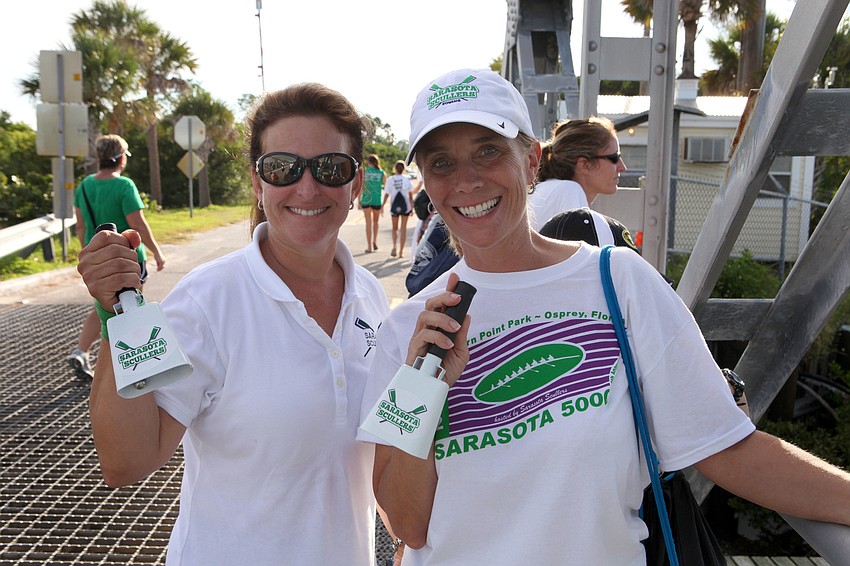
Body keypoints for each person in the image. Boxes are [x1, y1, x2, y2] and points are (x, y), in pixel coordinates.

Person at [359, 68, 850, 565]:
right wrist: (423, 388)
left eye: (488, 151)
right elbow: (407, 525)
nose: (466, 180)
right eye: (442, 163)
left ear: (531, 162)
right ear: (427, 183)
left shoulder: (619, 281)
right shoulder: (410, 328)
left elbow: (726, 448)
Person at [77, 84, 390, 565]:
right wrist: (113, 315)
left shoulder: (370, 296)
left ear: (355, 183)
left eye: (330, 167)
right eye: (283, 168)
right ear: (258, 183)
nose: (307, 188)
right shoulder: (205, 301)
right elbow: (127, 460)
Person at [68, 134, 165, 380]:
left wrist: (89, 255)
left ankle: (81, 350)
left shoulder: (84, 186)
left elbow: (80, 226)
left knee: (104, 305)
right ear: (121, 158)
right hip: (128, 259)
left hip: (98, 259)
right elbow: (138, 226)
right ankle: (133, 366)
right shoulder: (124, 186)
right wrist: (157, 252)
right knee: (130, 309)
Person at [528, 116, 627, 230]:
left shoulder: (553, 188)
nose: (622, 167)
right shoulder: (570, 190)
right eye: (614, 158)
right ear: (585, 165)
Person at [383, 160, 416, 259]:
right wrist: (412, 208)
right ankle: (401, 252)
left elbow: (386, 194)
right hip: (405, 207)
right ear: (404, 169)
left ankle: (394, 246)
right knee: (403, 229)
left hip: (394, 207)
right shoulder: (407, 179)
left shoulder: (390, 179)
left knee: (394, 228)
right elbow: (410, 195)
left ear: (395, 168)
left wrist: (382, 206)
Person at [361, 153, 386, 253]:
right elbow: (386, 187)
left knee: (368, 223)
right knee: (376, 222)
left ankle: (369, 247)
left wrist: (358, 201)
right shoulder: (381, 173)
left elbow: (360, 186)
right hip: (377, 200)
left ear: (369, 162)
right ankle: (374, 241)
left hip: (366, 199)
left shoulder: (364, 172)